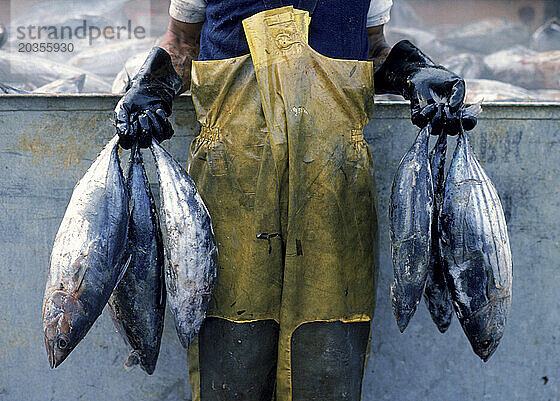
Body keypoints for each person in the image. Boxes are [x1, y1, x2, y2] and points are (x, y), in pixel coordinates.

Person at [114, 1, 473, 400]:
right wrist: (153, 85)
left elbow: (371, 50)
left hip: (334, 192)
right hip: (232, 188)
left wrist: (413, 73)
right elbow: (183, 42)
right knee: (231, 364)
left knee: (328, 361)